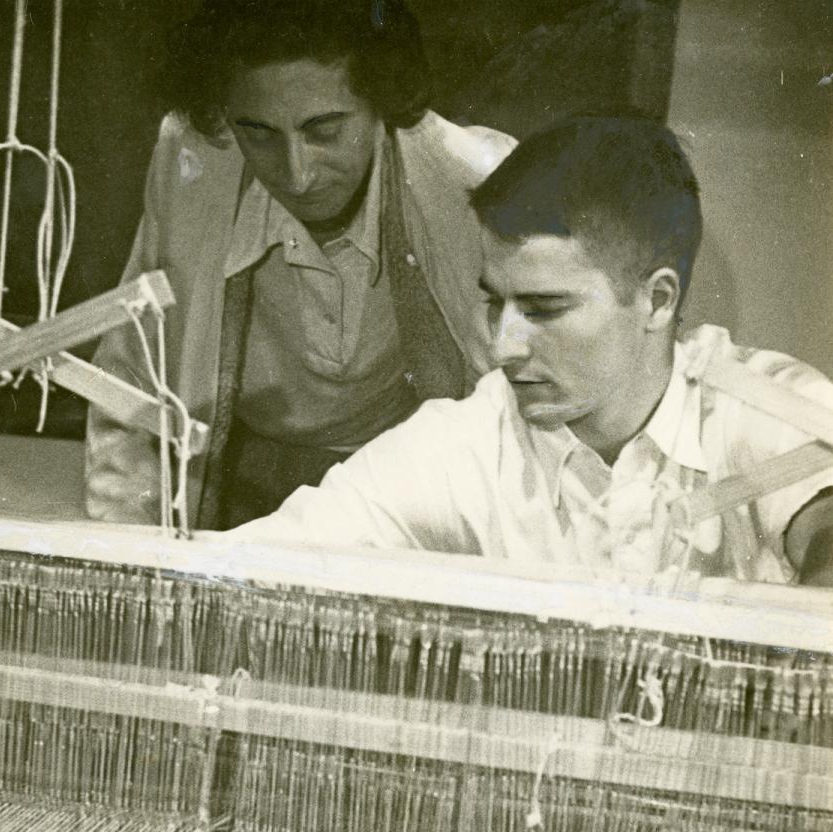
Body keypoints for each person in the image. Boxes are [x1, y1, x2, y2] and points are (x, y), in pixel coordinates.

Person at [224, 115, 833, 586]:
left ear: (657, 300)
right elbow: (265, 557)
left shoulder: (767, 410)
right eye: (496, 303)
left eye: (544, 310)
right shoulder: (474, 433)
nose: (503, 346)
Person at [85, 0, 515, 529]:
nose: (297, 174)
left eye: (325, 129)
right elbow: (132, 373)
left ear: (382, 103)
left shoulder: (478, 183)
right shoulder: (193, 158)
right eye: (259, 132)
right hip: (240, 473)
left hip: (404, 484)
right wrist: (128, 551)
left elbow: (518, 416)